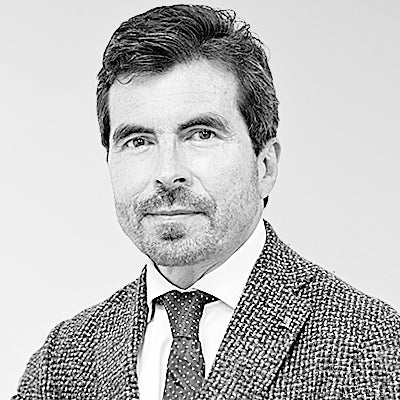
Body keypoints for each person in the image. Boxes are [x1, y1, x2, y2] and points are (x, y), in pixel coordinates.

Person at [13, 4, 400, 399]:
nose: (167, 173)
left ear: (265, 166)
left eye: (201, 134)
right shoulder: (59, 363)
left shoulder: (377, 347)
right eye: (138, 141)